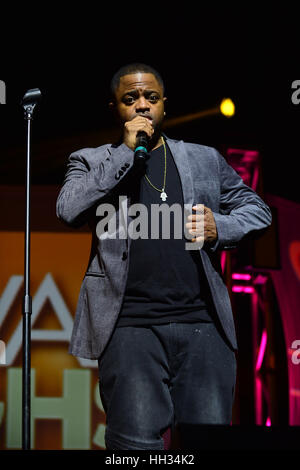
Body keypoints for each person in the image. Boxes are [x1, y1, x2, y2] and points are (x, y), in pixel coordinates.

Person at [56, 63, 272, 450]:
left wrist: (219, 228)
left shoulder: (203, 158)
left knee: (206, 443)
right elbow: (69, 209)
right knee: (134, 446)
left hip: (202, 326)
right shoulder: (90, 160)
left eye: (151, 98)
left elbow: (257, 209)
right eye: (131, 99)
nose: (142, 106)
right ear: (115, 108)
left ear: (164, 105)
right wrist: (125, 151)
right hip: (129, 328)